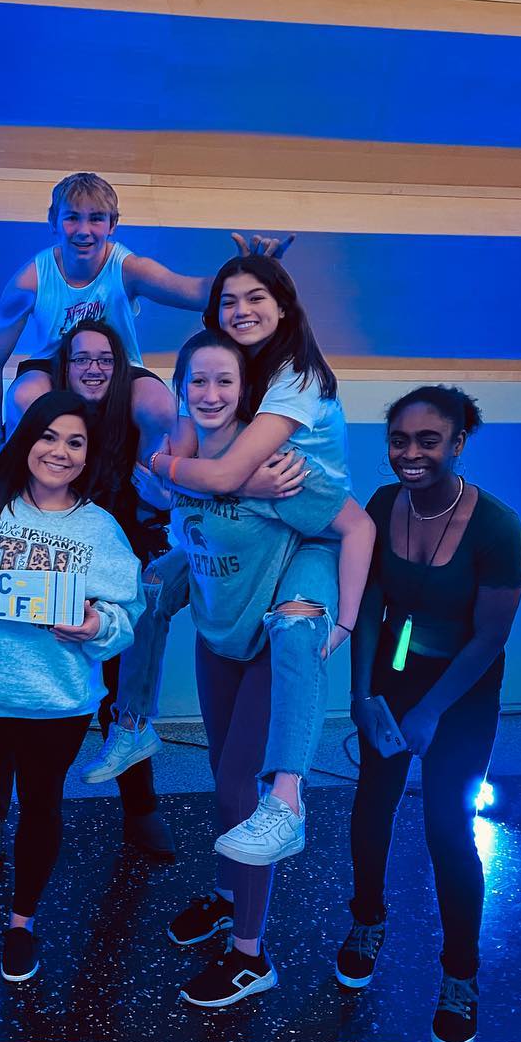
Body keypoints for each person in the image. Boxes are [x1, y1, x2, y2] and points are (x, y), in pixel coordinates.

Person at [155, 329, 371, 1008]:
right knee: (224, 784)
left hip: (265, 649)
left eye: (225, 380)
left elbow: (357, 527)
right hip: (216, 638)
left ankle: (250, 955)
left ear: (247, 390)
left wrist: (344, 622)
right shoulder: (183, 457)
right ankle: (227, 900)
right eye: (197, 381)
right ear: (181, 390)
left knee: (238, 787)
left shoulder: (278, 469)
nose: (210, 393)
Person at [0, 390, 144, 985]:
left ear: (89, 455)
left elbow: (125, 615)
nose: (60, 451)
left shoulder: (99, 529)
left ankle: (21, 924)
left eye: (75, 442)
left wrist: (95, 626)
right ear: (26, 440)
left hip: (57, 701)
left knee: (41, 808)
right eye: (48, 435)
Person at [336, 386, 521, 1042]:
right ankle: (367, 921)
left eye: (428, 440)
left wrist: (429, 711)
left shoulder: (497, 527)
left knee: (448, 828)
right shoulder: (383, 504)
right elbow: (369, 602)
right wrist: (362, 693)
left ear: (458, 444)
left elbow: (490, 638)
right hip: (393, 676)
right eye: (399, 440)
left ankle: (460, 975)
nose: (410, 453)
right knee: (371, 807)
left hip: (462, 691)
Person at [148, 255, 350, 866]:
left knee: (293, 626)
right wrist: (176, 467)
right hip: (249, 544)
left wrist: (346, 621)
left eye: (257, 297)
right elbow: (195, 456)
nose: (241, 311)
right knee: (148, 586)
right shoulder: (241, 381)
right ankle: (131, 721)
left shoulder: (295, 383)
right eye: (229, 301)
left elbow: (230, 477)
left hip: (309, 530)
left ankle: (287, 798)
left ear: (285, 306)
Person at [0, 319, 181, 858]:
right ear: (65, 366)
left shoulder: (139, 411)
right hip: (49, 556)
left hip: (115, 562)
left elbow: (166, 495)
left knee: (122, 683)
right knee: (21, 687)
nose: (94, 368)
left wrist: (164, 503)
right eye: (82, 358)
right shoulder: (45, 411)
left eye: (105, 358)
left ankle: (141, 808)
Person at [0, 171, 288, 461]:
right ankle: (17, 481)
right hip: (55, 366)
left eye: (96, 219)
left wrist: (249, 272)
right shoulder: (30, 281)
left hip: (119, 366)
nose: (83, 231)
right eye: (72, 218)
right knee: (25, 395)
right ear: (53, 221)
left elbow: (196, 292)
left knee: (159, 405)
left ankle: (146, 493)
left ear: (112, 224)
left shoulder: (128, 269)